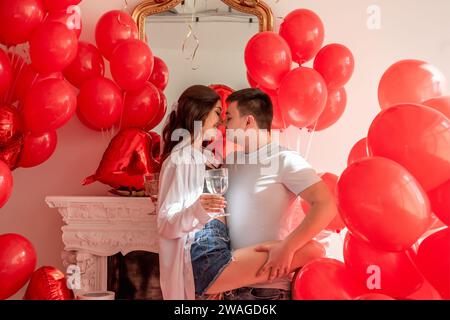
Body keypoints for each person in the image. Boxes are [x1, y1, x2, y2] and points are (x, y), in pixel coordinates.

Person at [157, 85, 334, 300]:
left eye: (229, 117)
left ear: (248, 121)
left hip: (267, 290)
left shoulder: (285, 159)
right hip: (229, 288)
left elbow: (326, 205)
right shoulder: (227, 163)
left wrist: (288, 247)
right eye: (221, 116)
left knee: (315, 249)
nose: (223, 124)